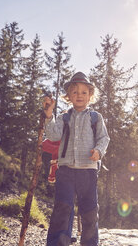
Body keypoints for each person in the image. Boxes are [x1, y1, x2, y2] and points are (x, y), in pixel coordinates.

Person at [43, 71, 110, 246]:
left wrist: (98, 150)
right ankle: (58, 243)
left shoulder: (95, 118)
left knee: (89, 211)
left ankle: (89, 243)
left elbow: (104, 138)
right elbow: (53, 135)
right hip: (65, 170)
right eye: (74, 92)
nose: (79, 95)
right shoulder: (64, 117)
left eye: (83, 92)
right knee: (62, 208)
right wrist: (49, 115)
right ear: (68, 96)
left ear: (90, 96)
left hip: (88, 171)